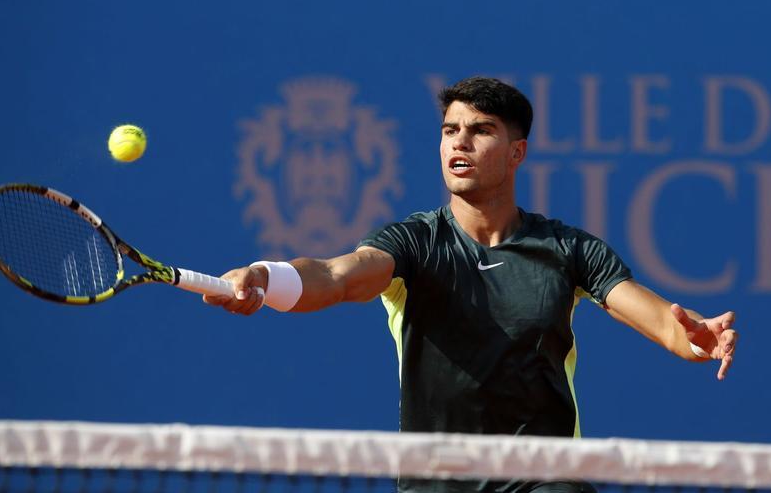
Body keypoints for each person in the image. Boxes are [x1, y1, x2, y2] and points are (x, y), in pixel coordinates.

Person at [204, 77, 739, 493]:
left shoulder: (569, 249)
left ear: (517, 152)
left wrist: (691, 338)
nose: (460, 142)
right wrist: (266, 276)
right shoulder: (413, 243)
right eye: (449, 130)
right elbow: (337, 276)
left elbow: (658, 320)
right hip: (435, 478)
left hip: (546, 474)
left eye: (480, 130)